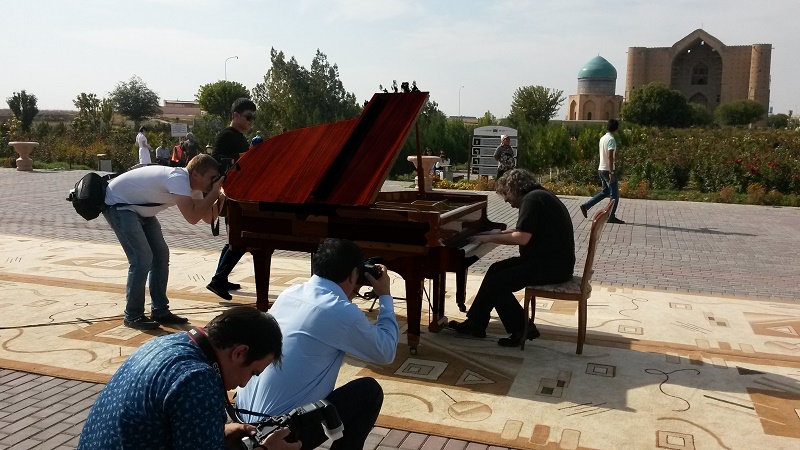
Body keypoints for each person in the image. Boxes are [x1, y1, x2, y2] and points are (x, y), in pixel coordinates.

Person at [236, 238, 398, 450]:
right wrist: (385, 296)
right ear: (352, 275)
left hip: (243, 424)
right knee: (368, 391)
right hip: (281, 436)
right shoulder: (340, 311)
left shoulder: (289, 293)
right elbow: (386, 352)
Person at [78, 306, 301, 450]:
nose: (243, 384)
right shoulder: (198, 380)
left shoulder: (168, 343)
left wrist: (218, 433)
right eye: (253, 373)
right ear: (240, 352)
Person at [449, 169, 575, 347]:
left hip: (551, 267)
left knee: (498, 282)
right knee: (495, 270)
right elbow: (524, 230)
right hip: (552, 262)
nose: (506, 199)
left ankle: (522, 328)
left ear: (514, 188)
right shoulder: (539, 195)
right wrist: (495, 232)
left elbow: (522, 238)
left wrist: (489, 238)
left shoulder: (532, 200)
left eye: (506, 194)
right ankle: (476, 322)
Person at [103, 154, 224, 330]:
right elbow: (192, 217)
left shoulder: (193, 187)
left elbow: (207, 217)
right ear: (196, 174)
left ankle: (160, 311)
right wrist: (213, 193)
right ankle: (133, 315)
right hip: (119, 205)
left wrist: (222, 196)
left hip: (139, 209)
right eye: (211, 178)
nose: (212, 182)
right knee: (141, 259)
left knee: (160, 256)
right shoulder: (178, 179)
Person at [206, 98, 257, 301]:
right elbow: (217, 161)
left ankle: (221, 278)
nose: (251, 122)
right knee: (239, 239)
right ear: (235, 115)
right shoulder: (227, 135)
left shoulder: (237, 136)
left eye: (253, 118)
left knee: (233, 239)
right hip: (231, 195)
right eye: (248, 117)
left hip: (237, 194)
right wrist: (244, 155)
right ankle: (218, 280)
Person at [580, 119, 625, 224]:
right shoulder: (611, 139)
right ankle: (611, 216)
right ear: (616, 128)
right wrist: (611, 172)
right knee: (614, 195)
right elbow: (610, 156)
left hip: (601, 168)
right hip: (607, 170)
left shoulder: (603, 138)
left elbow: (611, 154)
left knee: (606, 192)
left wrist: (624, 159)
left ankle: (586, 206)